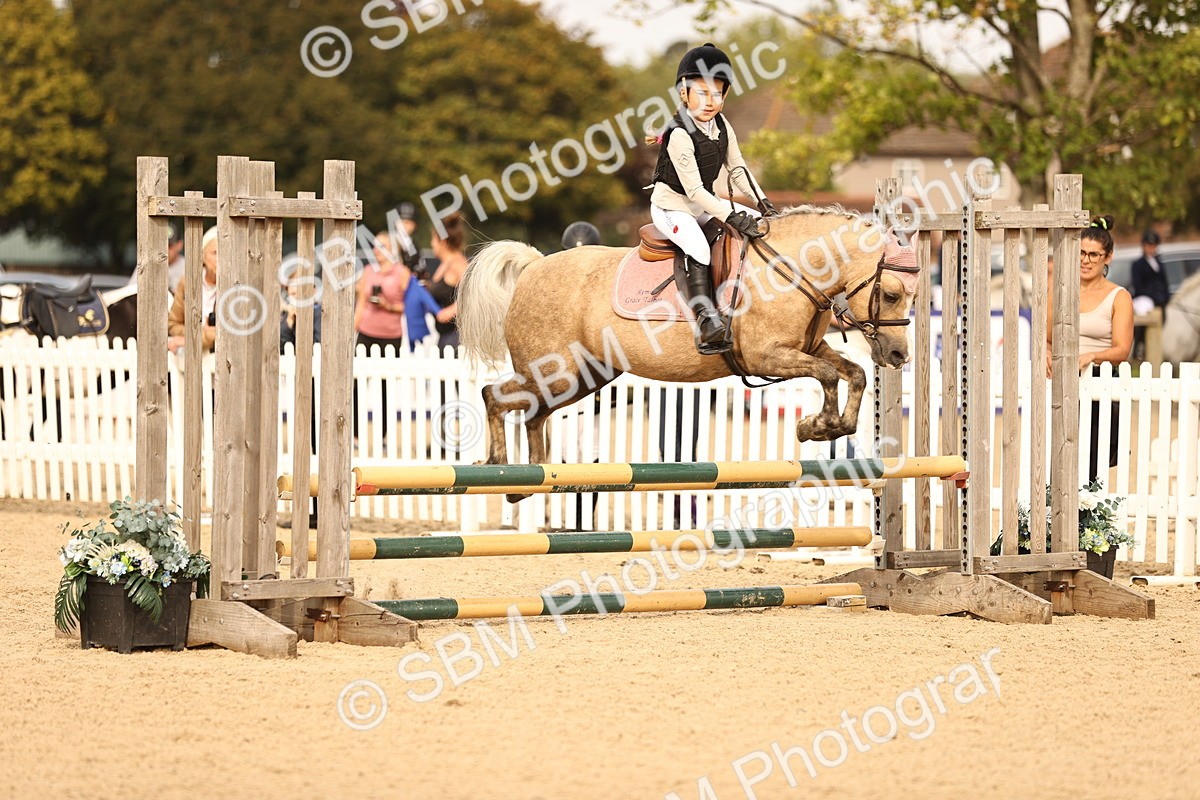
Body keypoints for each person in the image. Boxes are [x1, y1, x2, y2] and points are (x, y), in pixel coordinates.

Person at [646, 42, 774, 355]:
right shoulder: (679, 134)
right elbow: (694, 192)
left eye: (716, 93)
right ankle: (706, 319)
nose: (709, 101)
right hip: (672, 208)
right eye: (701, 93)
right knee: (699, 247)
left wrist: (762, 203)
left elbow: (738, 169)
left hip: (703, 204)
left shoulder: (721, 125)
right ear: (683, 93)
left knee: (762, 225)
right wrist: (731, 216)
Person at [1047, 216, 1134, 482]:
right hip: (1062, 381)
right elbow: (1046, 337)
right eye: (1082, 253)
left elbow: (1121, 351)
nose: (1086, 260)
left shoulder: (1119, 296)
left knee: (1090, 463)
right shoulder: (1059, 290)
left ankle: (1088, 520)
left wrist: (1091, 356)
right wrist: (1045, 353)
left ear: (1108, 257)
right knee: (1055, 458)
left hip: (1099, 382)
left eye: (1094, 255)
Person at [166, 226, 219, 354]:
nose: (221, 258)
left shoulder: (237, 286)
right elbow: (173, 324)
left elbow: (236, 334)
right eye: (215, 253)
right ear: (203, 256)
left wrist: (186, 340)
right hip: (189, 362)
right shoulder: (188, 283)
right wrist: (202, 334)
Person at [354, 232, 406, 353]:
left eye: (382, 247)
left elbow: (411, 306)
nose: (376, 250)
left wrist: (388, 306)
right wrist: (354, 328)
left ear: (393, 249)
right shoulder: (368, 270)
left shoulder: (402, 272)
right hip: (365, 332)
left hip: (391, 336)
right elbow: (361, 303)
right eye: (375, 246)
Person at [429, 212, 468, 349]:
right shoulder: (445, 264)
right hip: (444, 335)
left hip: (456, 337)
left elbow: (473, 293)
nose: (431, 244)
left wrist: (452, 310)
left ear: (443, 242)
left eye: (433, 239)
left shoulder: (458, 264)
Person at [1132, 230, 1170, 309]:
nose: (1151, 248)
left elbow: (1164, 282)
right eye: (1148, 246)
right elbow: (1138, 287)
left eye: (1153, 246)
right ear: (1144, 246)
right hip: (1145, 300)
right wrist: (1154, 295)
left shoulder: (1159, 263)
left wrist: (1166, 297)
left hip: (1161, 300)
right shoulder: (1138, 264)